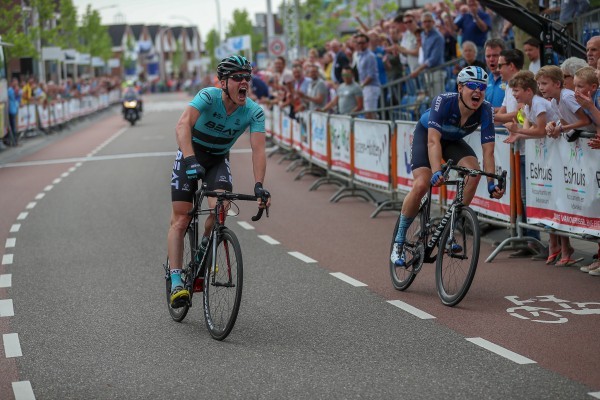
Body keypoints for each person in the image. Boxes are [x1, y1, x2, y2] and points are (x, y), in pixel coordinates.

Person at [167, 55, 271, 307]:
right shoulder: (208, 96)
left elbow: (258, 150)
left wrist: (259, 185)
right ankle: (177, 280)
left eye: (247, 77)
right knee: (181, 219)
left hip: (217, 160)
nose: (244, 82)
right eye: (237, 78)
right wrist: (190, 159)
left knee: (221, 208)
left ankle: (205, 249)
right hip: (191, 154)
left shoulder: (254, 112)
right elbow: (182, 126)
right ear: (223, 82)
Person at [391, 66, 505, 267]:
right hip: (427, 135)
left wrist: (491, 182)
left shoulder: (485, 109)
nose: (477, 91)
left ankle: (450, 229)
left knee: (473, 172)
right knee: (421, 184)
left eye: (482, 87)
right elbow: (433, 142)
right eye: (471, 86)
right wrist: (436, 171)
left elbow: (488, 151)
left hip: (452, 141)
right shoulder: (443, 101)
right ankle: (399, 242)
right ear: (460, 87)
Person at [536, 66, 592, 266]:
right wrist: (554, 126)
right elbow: (562, 120)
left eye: (544, 84)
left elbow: (585, 120)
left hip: (590, 143)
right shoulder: (554, 100)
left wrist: (563, 128)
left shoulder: (567, 96)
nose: (541, 88)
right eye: (539, 84)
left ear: (557, 84)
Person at [410, 12, 446, 99]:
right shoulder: (423, 35)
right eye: (425, 22)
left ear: (433, 22)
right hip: (427, 72)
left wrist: (418, 69)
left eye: (429, 21)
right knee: (431, 100)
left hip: (437, 71)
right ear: (422, 23)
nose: (427, 24)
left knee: (438, 100)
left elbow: (433, 59)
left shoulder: (438, 37)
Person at [354, 33, 380, 119]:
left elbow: (371, 75)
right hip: (365, 86)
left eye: (362, 42)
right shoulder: (359, 55)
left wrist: (361, 85)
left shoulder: (370, 56)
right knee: (367, 112)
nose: (360, 45)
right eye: (358, 43)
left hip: (371, 87)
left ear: (367, 43)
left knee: (370, 112)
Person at [483, 38, 506, 110]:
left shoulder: (513, 80)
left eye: (495, 55)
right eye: (488, 56)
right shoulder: (485, 81)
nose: (491, 59)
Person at [6, 78, 21, 146]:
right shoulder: (10, 90)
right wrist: (17, 91)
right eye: (15, 82)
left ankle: (15, 141)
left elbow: (18, 98)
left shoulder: (14, 90)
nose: (16, 84)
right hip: (11, 110)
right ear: (12, 83)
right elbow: (13, 97)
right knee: (13, 127)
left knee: (15, 127)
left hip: (15, 109)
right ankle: (14, 142)